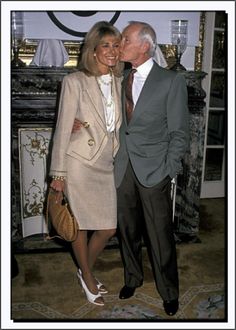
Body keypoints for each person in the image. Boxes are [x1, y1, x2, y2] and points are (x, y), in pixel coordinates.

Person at [114, 21, 189, 316]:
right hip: (123, 168)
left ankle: (169, 291)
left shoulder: (171, 81)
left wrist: (168, 170)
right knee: (127, 230)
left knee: (159, 235)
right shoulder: (118, 79)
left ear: (145, 45)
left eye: (126, 39)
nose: (121, 43)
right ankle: (132, 277)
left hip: (154, 170)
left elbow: (180, 132)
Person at [49, 21, 123, 306]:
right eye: (106, 45)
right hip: (78, 162)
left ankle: (84, 270)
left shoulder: (119, 80)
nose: (112, 51)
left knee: (107, 228)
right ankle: (89, 277)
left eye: (116, 45)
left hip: (105, 163)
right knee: (78, 226)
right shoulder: (74, 81)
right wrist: (58, 174)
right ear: (93, 50)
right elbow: (63, 127)